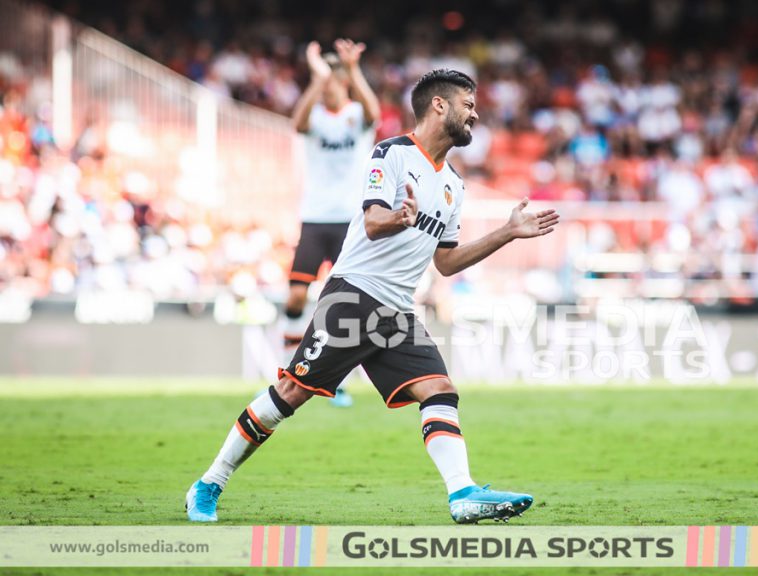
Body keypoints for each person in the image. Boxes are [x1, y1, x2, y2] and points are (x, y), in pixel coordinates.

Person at [186, 69, 560, 524]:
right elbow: (371, 222)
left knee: (440, 390)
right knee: (289, 393)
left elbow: (445, 262)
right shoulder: (392, 154)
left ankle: (461, 493)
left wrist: (506, 233)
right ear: (439, 105)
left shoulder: (454, 186)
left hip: (399, 311)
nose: (475, 114)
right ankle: (210, 482)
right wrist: (400, 218)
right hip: (354, 299)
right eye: (468, 104)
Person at [283, 39, 381, 407]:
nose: (326, 89)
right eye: (323, 83)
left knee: (343, 302)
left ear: (343, 83)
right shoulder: (315, 116)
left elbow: (374, 113)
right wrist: (316, 77)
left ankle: (338, 379)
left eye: (331, 82)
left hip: (350, 221)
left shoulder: (356, 114)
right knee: (296, 296)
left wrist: (352, 69)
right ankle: (287, 369)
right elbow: (298, 123)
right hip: (314, 217)